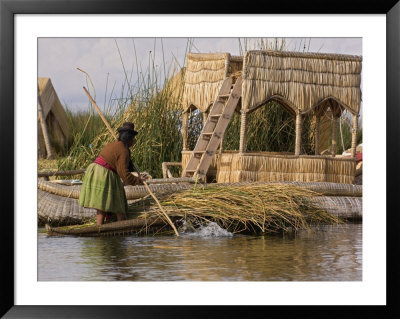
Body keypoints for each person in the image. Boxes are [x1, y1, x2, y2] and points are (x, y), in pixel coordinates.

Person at [78, 122, 144, 225]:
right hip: (104, 173)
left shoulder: (115, 145)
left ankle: (98, 226)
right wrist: (137, 180)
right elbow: (124, 174)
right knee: (119, 200)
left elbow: (121, 166)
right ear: (129, 139)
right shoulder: (123, 150)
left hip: (95, 170)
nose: (133, 141)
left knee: (102, 202)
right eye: (133, 139)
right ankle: (121, 224)